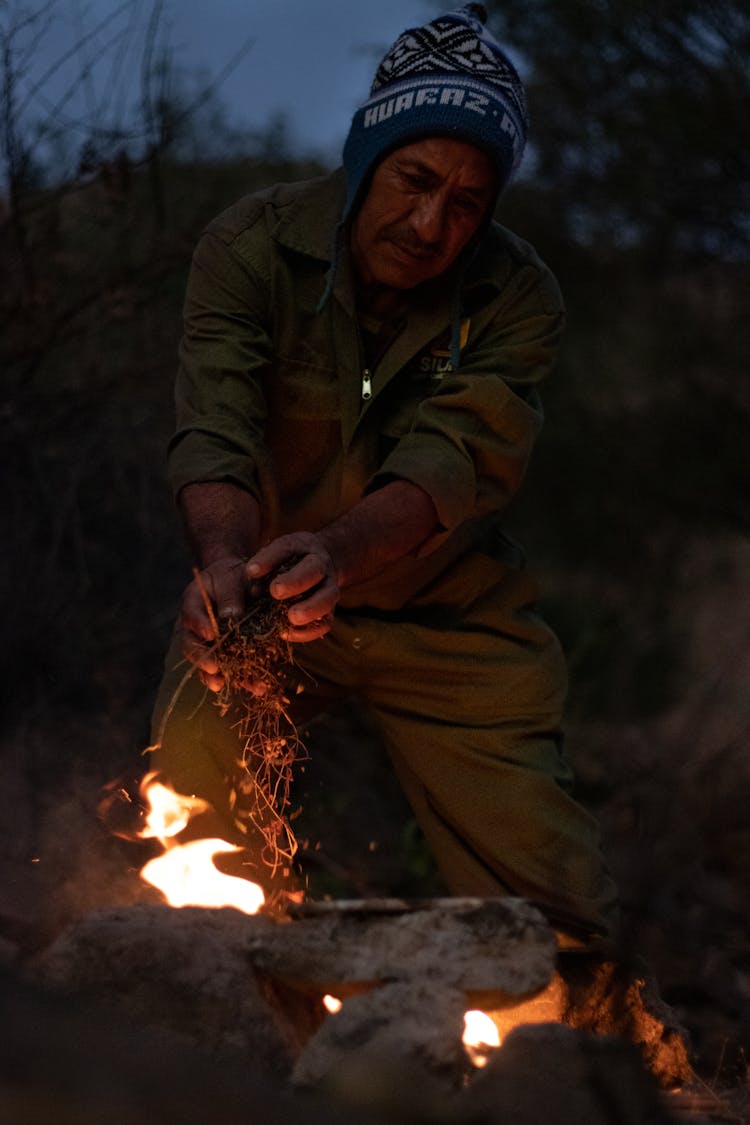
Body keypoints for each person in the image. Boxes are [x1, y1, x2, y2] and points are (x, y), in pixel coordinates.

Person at [150, 3, 618, 940]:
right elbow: (217, 431)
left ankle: (588, 1063)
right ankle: (209, 1046)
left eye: (466, 203)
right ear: (367, 156)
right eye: (413, 179)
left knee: (555, 897)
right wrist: (224, 571)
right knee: (191, 824)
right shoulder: (250, 250)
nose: (430, 220)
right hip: (259, 600)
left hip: (447, 617)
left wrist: (333, 552)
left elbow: (454, 462)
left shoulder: (517, 298)